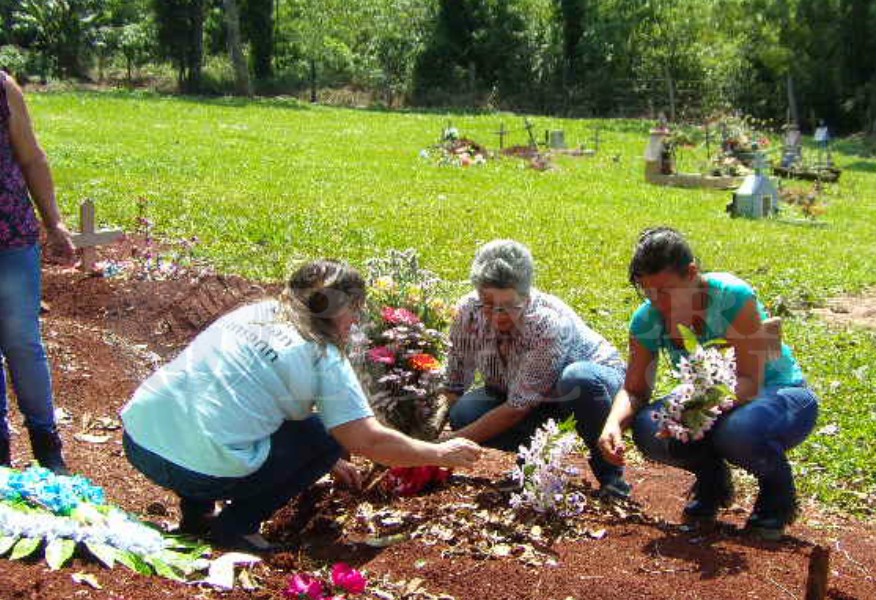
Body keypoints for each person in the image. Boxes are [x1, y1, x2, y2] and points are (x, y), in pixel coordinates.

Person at [121, 259, 483, 553]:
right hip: (200, 472)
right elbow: (367, 441)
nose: (355, 323)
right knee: (324, 434)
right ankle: (238, 527)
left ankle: (197, 515)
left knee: (217, 411)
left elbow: (235, 399)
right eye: (354, 313)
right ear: (346, 311)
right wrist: (439, 453)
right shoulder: (322, 353)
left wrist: (321, 462)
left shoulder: (253, 312)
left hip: (141, 442)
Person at [598, 228, 818, 539]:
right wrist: (613, 425)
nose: (658, 302)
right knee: (649, 428)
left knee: (738, 430)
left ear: (691, 273)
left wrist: (694, 413)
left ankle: (776, 496)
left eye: (666, 291)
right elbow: (635, 389)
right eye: (649, 293)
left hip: (775, 394)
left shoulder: (732, 297)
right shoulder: (647, 320)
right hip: (709, 398)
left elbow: (748, 383)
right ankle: (712, 481)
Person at [442, 240, 630, 498]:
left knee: (577, 380)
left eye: (509, 306)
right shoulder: (467, 311)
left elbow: (517, 407)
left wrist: (447, 447)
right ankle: (535, 457)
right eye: (488, 304)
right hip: (526, 395)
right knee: (464, 413)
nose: (498, 316)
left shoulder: (547, 322)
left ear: (526, 294)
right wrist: (423, 444)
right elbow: (454, 383)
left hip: (590, 387)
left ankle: (611, 476)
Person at [0, 71, 75, 475]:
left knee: (23, 342)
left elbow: (30, 156)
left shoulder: (2, 88)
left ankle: (47, 446)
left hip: (10, 234)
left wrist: (54, 222)